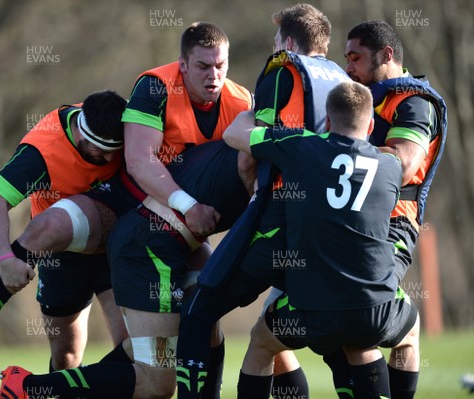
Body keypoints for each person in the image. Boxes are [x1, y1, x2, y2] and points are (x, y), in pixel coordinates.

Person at [0, 21, 254, 399]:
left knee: (203, 324)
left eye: (221, 65)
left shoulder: (240, 106)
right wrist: (190, 205)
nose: (214, 75)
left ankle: (32, 387)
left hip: (181, 242)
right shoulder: (155, 88)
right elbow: (138, 160)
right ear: (182, 64)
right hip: (146, 244)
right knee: (155, 380)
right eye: (202, 66)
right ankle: (30, 387)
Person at [175, 5, 350, 398]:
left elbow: (251, 151)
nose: (274, 47)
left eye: (276, 40)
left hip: (280, 219)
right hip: (329, 228)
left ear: (288, 42)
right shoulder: (343, 79)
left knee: (199, 308)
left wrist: (253, 194)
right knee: (303, 335)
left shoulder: (283, 69)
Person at [224, 81, 419, 398]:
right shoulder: (390, 167)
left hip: (311, 310)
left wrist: (259, 109)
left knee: (261, 342)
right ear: (370, 125)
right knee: (409, 333)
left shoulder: (302, 146)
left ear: (327, 122)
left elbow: (233, 134)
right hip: (375, 310)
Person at [0, 91, 130, 371]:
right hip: (60, 252)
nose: (110, 158)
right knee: (66, 358)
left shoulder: (126, 124)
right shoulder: (43, 150)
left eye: (115, 150)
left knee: (132, 349)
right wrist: (5, 259)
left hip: (115, 244)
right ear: (82, 134)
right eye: (101, 149)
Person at [320, 19, 448, 399]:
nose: (348, 67)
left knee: (362, 318)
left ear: (386, 55)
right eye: (346, 58)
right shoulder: (362, 97)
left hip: (392, 226)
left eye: (356, 58)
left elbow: (405, 162)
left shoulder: (415, 103)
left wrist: (334, 150)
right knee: (324, 322)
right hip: (345, 223)